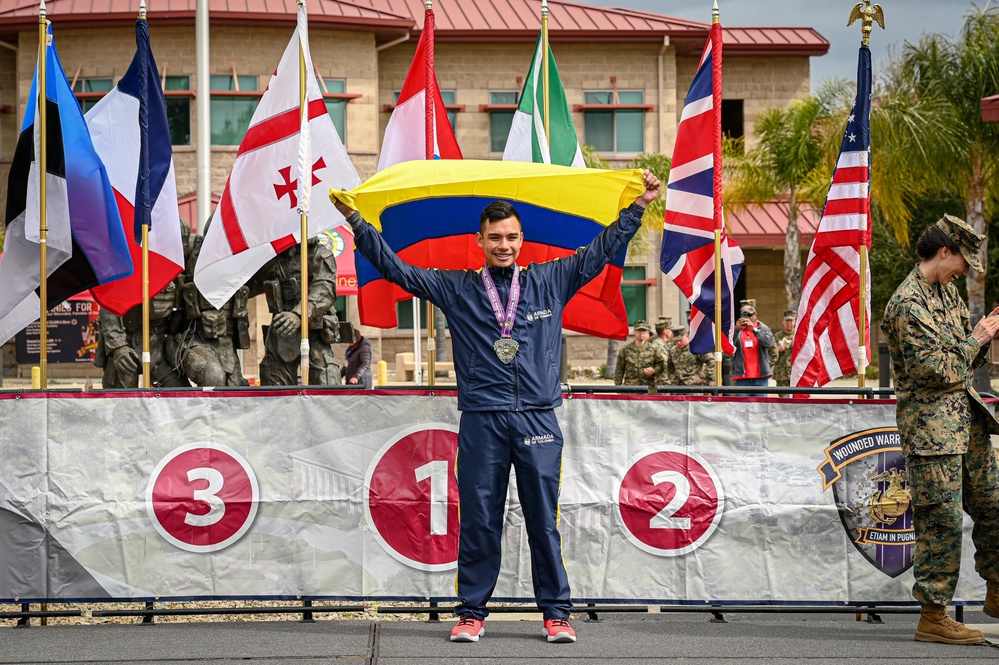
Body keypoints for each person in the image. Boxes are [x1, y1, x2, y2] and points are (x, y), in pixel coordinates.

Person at [333, 170, 661, 644]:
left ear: (522, 240)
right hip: (483, 420)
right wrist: (358, 225)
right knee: (481, 519)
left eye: (511, 237)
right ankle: (470, 612)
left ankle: (556, 613)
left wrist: (638, 207)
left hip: (537, 419)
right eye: (495, 238)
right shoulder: (457, 288)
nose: (503, 245)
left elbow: (602, 249)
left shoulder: (553, 278)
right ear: (481, 241)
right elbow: (398, 271)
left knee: (542, 521)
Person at [880, 214, 999, 645]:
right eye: (964, 260)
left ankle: (997, 591)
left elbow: (963, 360)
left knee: (993, 505)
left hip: (965, 422)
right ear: (944, 251)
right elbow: (936, 369)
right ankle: (933, 616)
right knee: (942, 522)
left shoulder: (947, 294)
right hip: (931, 432)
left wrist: (982, 339)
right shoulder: (908, 304)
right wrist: (977, 337)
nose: (967, 270)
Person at [251, 238, 342, 386]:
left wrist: (298, 314)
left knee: (326, 382)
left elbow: (325, 289)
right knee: (274, 385)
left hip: (314, 330)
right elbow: (250, 284)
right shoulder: (271, 257)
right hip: (282, 330)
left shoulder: (319, 253)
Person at [614, 319, 668, 391]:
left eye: (644, 331)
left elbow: (661, 365)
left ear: (647, 332)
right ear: (634, 332)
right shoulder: (625, 350)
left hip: (649, 388)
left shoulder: (654, 349)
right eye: (639, 331)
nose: (641, 333)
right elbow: (619, 370)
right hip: (630, 388)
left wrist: (654, 370)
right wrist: (618, 388)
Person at [732, 302, 774, 387]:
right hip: (742, 376)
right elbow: (729, 346)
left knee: (760, 400)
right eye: (744, 315)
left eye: (750, 315)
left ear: (755, 315)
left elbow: (769, 343)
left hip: (760, 376)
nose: (747, 318)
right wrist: (736, 330)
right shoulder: (737, 329)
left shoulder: (763, 328)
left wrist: (754, 330)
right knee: (743, 400)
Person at [770, 310, 796, 387]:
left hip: (796, 373)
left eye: (791, 321)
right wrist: (778, 350)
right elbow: (770, 353)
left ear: (795, 321)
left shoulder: (800, 336)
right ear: (783, 321)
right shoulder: (777, 336)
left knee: (798, 398)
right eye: (787, 321)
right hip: (781, 374)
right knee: (784, 398)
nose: (789, 323)